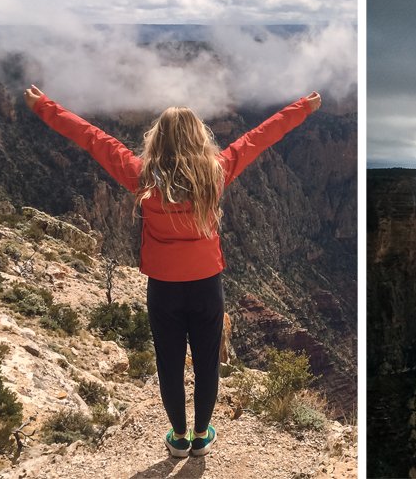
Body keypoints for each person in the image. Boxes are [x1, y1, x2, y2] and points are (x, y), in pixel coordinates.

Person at [23, 84, 321, 458]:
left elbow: (91, 138)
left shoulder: (141, 176)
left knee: (169, 362)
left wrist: (43, 106)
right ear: (199, 138)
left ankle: (178, 437)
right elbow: (259, 137)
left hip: (163, 287)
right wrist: (303, 108)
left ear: (157, 140)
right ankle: (201, 436)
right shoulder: (216, 172)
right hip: (206, 286)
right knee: (207, 361)